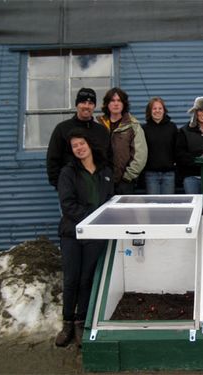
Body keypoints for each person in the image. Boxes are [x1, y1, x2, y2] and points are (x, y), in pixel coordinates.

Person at [55, 129, 114, 348]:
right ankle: (67, 323)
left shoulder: (105, 171)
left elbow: (109, 200)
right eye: (74, 146)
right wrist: (92, 217)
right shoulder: (68, 172)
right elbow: (67, 204)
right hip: (72, 232)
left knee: (86, 279)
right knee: (71, 278)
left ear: (89, 145)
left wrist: (101, 220)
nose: (79, 148)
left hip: (96, 234)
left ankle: (81, 321)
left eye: (81, 143)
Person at [46, 88, 111, 189]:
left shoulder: (101, 131)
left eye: (90, 103)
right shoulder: (62, 129)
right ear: (76, 105)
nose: (86, 106)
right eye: (83, 102)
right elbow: (53, 159)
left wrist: (107, 182)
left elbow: (108, 159)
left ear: (94, 106)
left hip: (98, 189)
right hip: (71, 189)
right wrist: (61, 185)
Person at [97, 87, 147, 194]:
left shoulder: (133, 125)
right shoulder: (98, 126)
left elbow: (140, 155)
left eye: (119, 101)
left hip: (125, 183)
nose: (116, 104)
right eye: (112, 100)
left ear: (124, 104)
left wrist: (128, 177)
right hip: (102, 181)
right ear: (107, 104)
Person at [142, 97, 178, 194]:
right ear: (150, 111)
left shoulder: (172, 127)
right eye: (154, 108)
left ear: (164, 110)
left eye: (160, 108)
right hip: (151, 174)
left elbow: (177, 148)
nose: (157, 111)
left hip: (169, 174)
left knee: (168, 205)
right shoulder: (144, 129)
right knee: (153, 205)